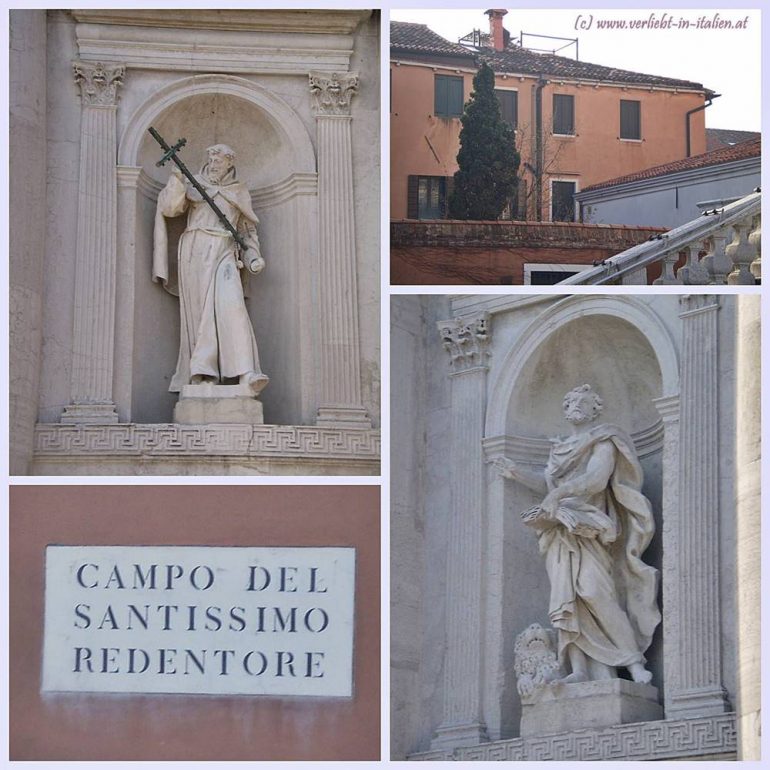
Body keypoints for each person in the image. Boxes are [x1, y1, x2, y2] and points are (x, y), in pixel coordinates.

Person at [493, 384, 660, 685]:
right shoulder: (559, 450)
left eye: (583, 402)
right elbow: (547, 484)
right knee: (565, 599)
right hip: (560, 532)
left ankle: (634, 662)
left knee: (596, 593)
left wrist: (560, 493)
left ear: (596, 409)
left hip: (590, 529)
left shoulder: (603, 441)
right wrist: (516, 472)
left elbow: (596, 480)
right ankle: (579, 669)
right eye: (570, 402)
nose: (576, 406)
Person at [152, 144, 269, 395]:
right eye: (211, 159)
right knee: (200, 312)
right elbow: (170, 209)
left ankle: (247, 372)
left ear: (230, 162)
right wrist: (176, 180)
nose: (214, 164)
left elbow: (247, 231)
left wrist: (253, 256)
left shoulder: (238, 191)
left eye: (219, 160)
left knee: (233, 304)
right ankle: (203, 372)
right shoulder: (193, 183)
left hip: (226, 250)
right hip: (196, 248)